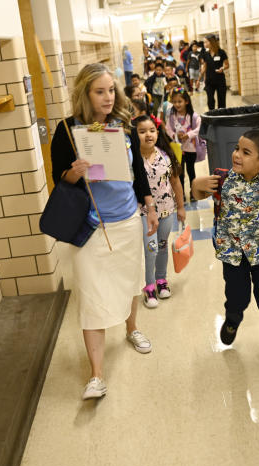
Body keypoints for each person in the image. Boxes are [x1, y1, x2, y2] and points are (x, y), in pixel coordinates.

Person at [50, 63, 160, 400]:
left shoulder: (122, 125)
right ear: (85, 94)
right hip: (92, 226)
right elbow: (59, 179)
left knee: (130, 280)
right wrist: (73, 172)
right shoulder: (67, 130)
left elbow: (138, 168)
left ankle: (132, 329)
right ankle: (96, 376)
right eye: (100, 91)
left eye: (111, 90)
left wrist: (149, 204)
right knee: (92, 295)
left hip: (127, 220)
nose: (109, 97)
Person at [190, 130, 259, 376]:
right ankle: (233, 318)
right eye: (237, 148)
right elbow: (198, 195)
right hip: (232, 255)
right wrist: (195, 186)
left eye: (246, 152)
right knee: (238, 297)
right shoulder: (222, 179)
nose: (236, 155)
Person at [134, 114, 186, 308]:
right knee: (151, 249)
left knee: (163, 245)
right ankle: (148, 286)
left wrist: (180, 207)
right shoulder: (133, 159)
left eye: (152, 130)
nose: (148, 135)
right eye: (142, 131)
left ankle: (161, 280)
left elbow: (175, 182)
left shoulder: (166, 155)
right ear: (134, 134)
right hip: (144, 213)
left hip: (167, 211)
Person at [165, 87, 200, 201]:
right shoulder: (172, 116)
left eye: (179, 101)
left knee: (191, 171)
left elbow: (199, 128)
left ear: (186, 101)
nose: (177, 104)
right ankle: (181, 194)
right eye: (174, 102)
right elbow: (168, 128)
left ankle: (193, 191)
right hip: (178, 148)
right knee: (180, 173)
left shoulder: (193, 116)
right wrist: (175, 135)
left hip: (191, 148)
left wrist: (188, 135)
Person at [199, 34, 229, 110]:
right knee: (210, 101)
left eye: (206, 42)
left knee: (222, 102)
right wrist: (199, 79)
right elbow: (204, 67)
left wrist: (222, 68)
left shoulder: (221, 52)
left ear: (211, 42)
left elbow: (227, 65)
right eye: (204, 42)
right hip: (209, 81)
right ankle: (212, 117)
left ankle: (221, 118)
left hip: (220, 80)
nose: (204, 44)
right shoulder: (205, 54)